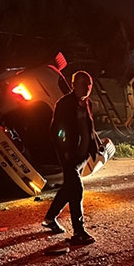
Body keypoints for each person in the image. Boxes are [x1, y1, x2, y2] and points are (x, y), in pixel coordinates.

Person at [42, 70, 102, 245]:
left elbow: (89, 128)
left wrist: (95, 146)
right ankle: (79, 231)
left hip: (81, 155)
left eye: (89, 84)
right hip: (69, 155)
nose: (88, 88)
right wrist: (65, 150)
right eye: (84, 84)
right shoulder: (65, 104)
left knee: (69, 187)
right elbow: (56, 130)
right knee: (76, 190)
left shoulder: (87, 103)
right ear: (74, 84)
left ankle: (49, 218)